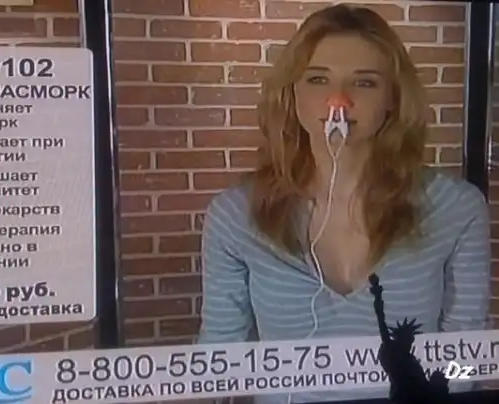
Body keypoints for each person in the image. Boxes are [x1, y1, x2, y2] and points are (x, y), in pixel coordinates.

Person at [197, 4, 491, 404]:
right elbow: (218, 359)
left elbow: (466, 359)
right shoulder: (235, 216)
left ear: (392, 98)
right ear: (292, 93)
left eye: (364, 83)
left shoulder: (456, 209)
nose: (339, 100)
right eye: (318, 79)